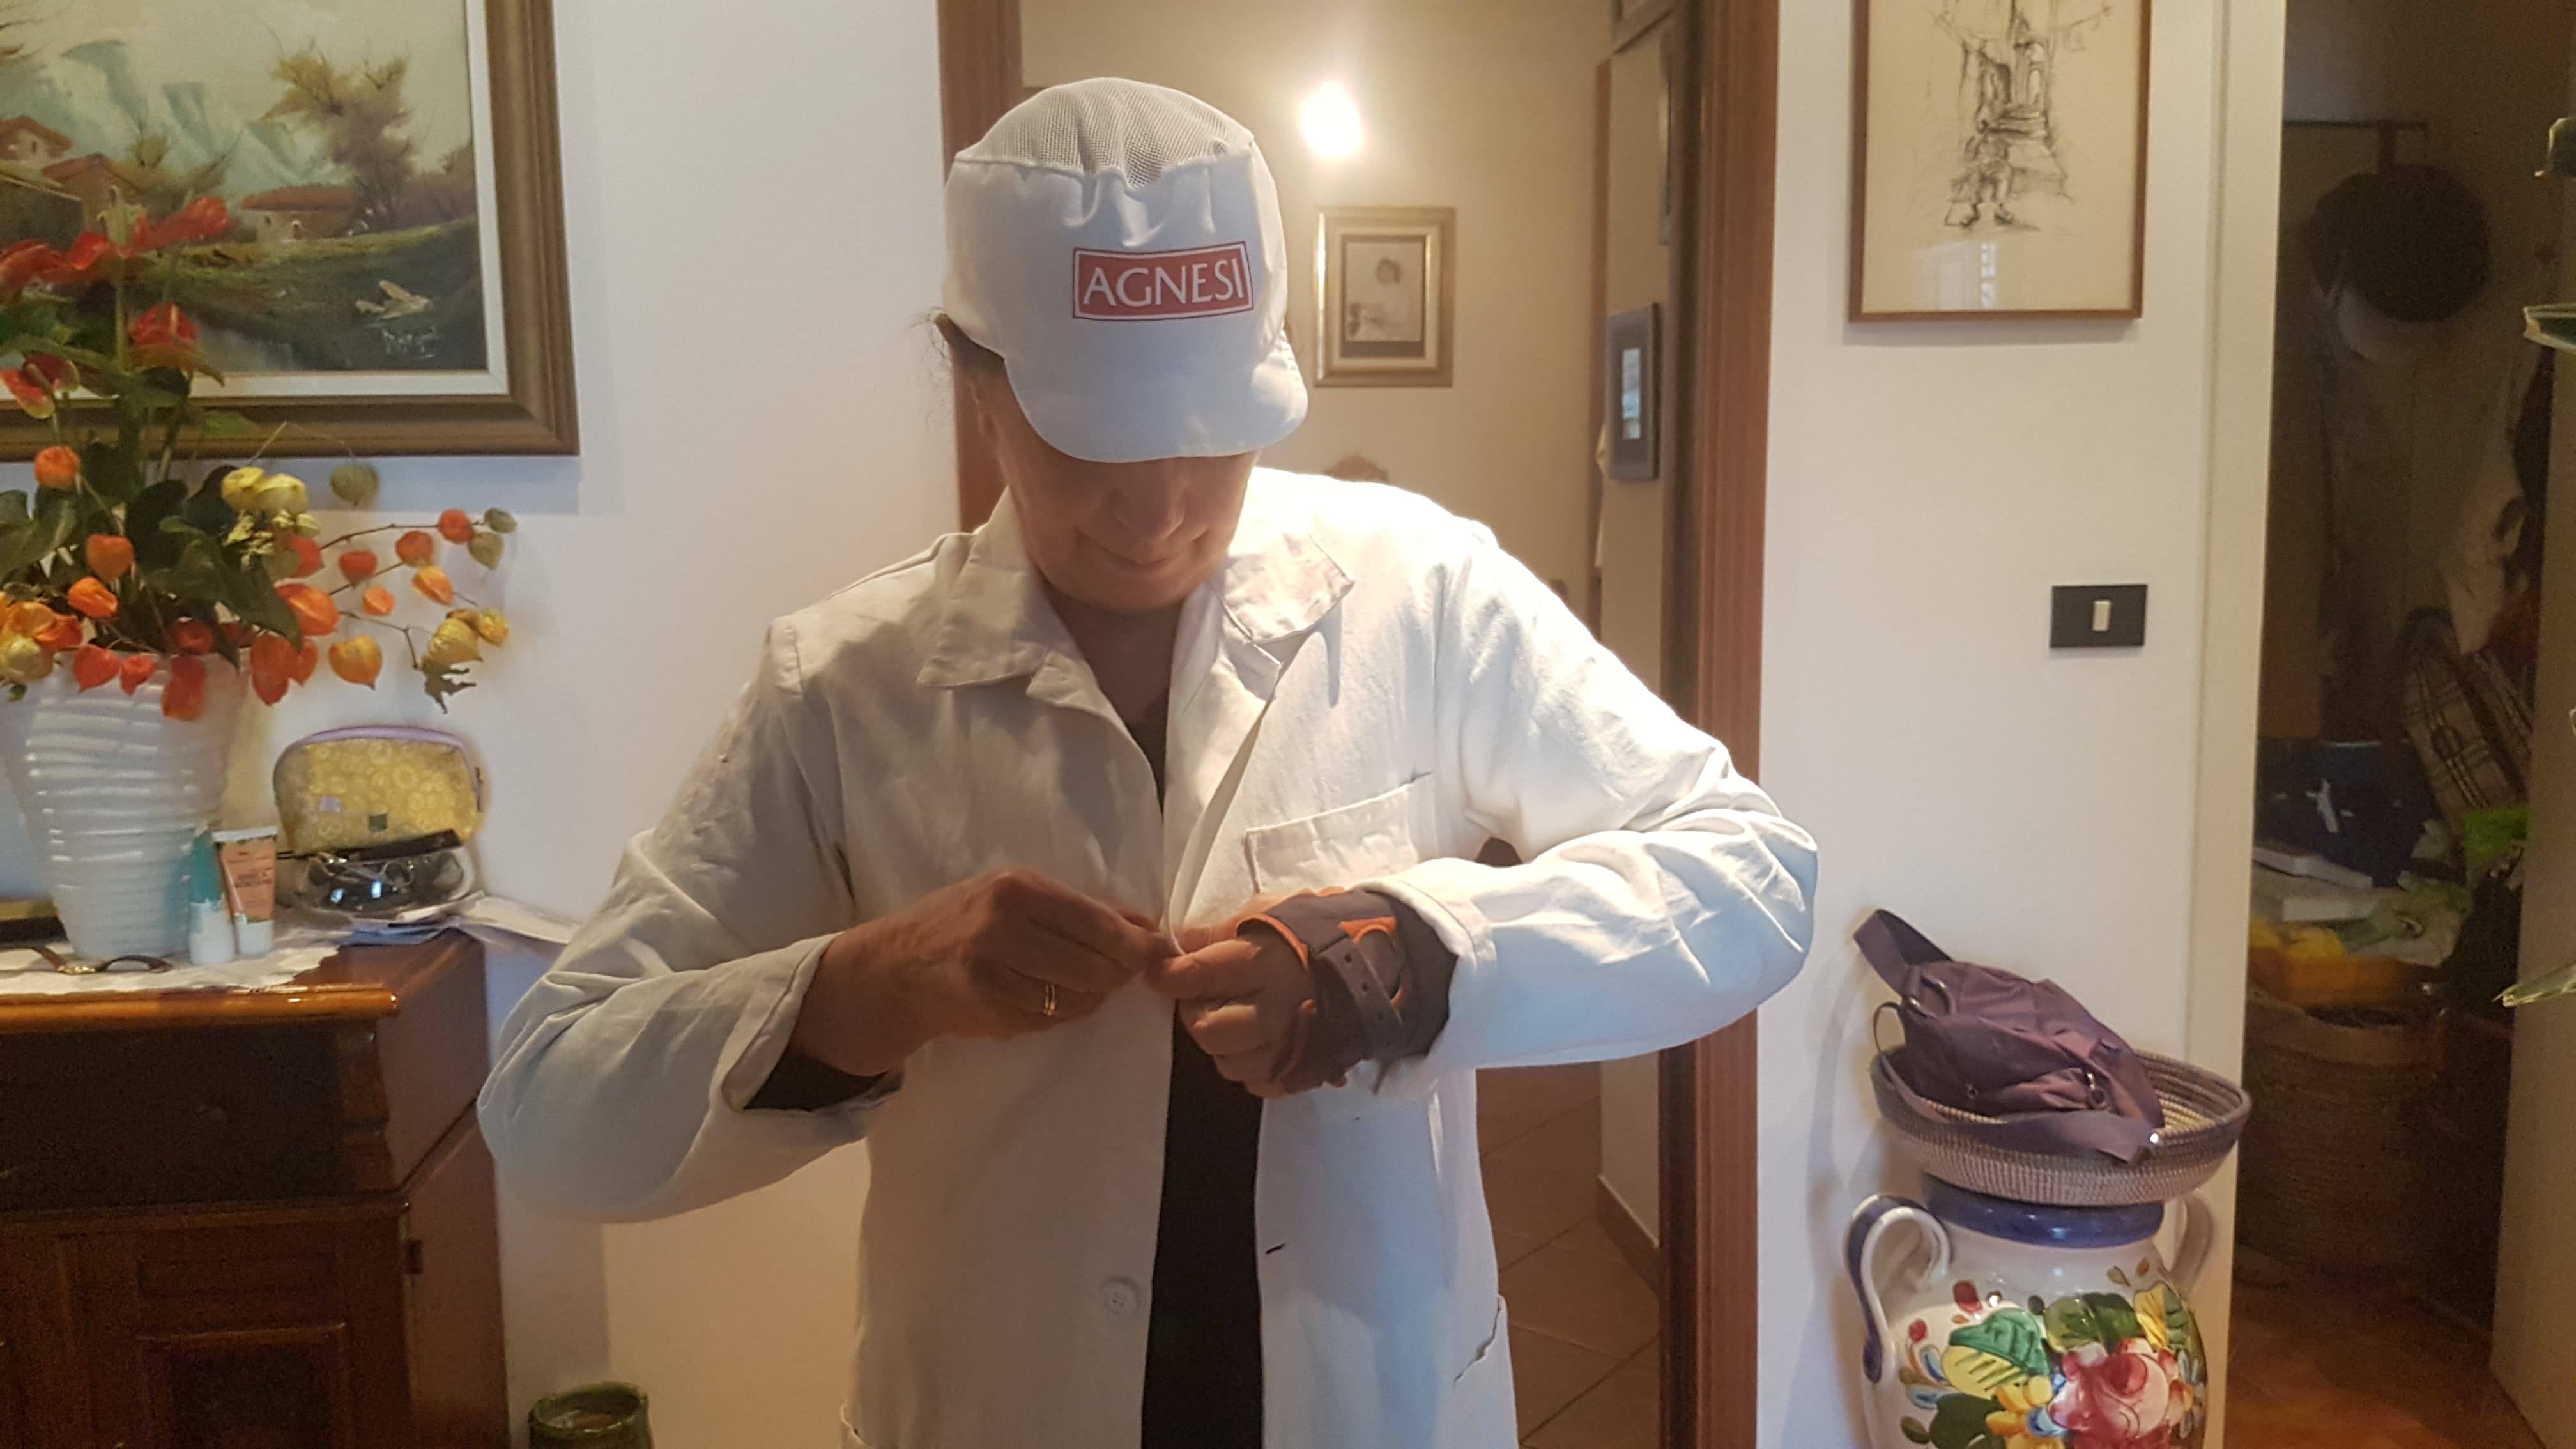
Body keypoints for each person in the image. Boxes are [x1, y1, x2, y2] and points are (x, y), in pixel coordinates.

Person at [479, 78, 1817, 1449]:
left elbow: (1754, 879)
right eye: (1094, 443)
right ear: (974, 381)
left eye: (1211, 432)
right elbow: (548, 1110)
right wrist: (875, 986)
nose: (1160, 508)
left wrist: (1403, 962)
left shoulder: (1419, 594)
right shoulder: (846, 685)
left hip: (1371, 1397)